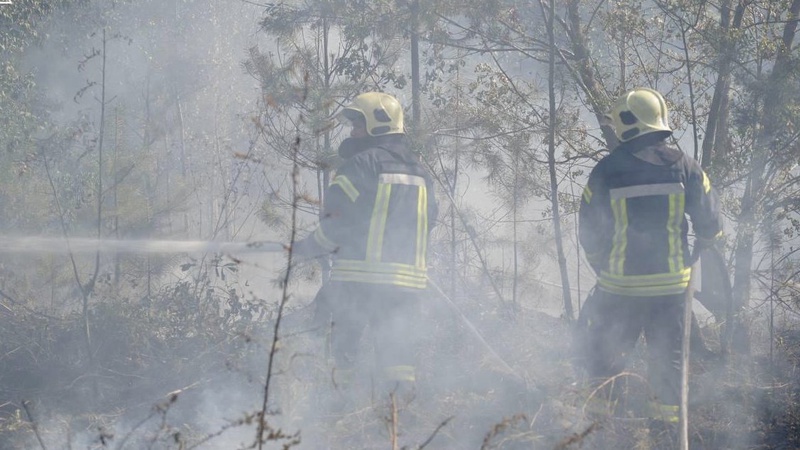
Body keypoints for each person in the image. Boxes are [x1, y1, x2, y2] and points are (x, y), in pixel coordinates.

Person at [576, 88, 722, 428]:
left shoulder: (606, 171)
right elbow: (711, 224)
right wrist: (701, 243)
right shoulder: (685, 166)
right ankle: (665, 433)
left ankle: (599, 432)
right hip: (670, 290)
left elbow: (589, 232)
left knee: (606, 360)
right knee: (667, 363)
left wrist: (602, 264)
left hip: (620, 288)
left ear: (626, 123)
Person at [292, 92, 438, 414]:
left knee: (341, 354)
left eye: (358, 124)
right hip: (406, 288)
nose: (353, 131)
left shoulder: (361, 164)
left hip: (358, 281)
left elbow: (336, 220)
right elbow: (430, 221)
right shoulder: (420, 171)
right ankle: (399, 424)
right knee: (398, 359)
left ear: (378, 125)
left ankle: (336, 416)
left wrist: (308, 248)